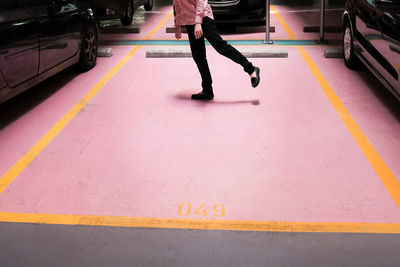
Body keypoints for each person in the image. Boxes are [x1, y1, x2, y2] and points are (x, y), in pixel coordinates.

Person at [173, 0, 260, 100]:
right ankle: (207, 90)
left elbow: (200, 1)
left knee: (221, 47)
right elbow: (178, 5)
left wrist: (198, 22)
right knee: (198, 56)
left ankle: (251, 69)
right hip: (190, 22)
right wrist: (178, 25)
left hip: (203, 18)